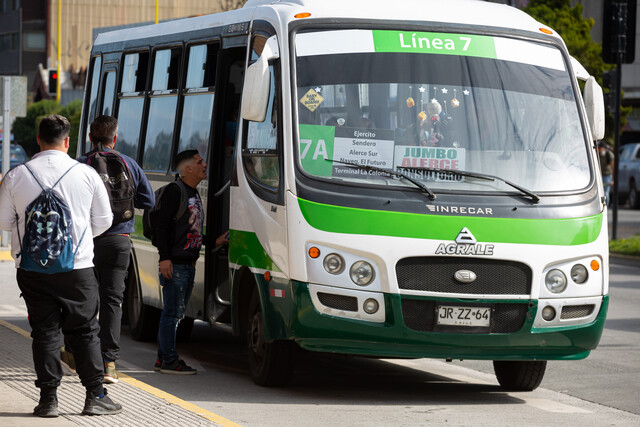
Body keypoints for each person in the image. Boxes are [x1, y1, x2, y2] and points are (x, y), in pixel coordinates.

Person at [0, 115, 122, 417]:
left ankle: (48, 400)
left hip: (32, 269)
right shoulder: (86, 174)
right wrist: (76, 242)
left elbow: (3, 222)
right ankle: (95, 396)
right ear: (67, 141)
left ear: (38, 140)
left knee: (44, 332)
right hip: (77, 269)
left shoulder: (16, 175)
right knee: (84, 331)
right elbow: (104, 221)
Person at [72, 115, 155, 384]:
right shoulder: (128, 164)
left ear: (89, 137)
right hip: (119, 240)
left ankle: (76, 354)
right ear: (115, 138)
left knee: (83, 298)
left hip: (87, 241)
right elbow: (148, 199)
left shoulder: (81, 164)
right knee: (112, 301)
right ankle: (109, 364)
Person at [153, 149, 228, 374]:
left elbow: (190, 232)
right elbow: (161, 226)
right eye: (199, 161)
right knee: (172, 314)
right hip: (175, 264)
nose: (205, 164)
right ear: (188, 169)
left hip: (186, 264)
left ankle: (162, 358)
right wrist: (165, 258)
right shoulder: (176, 192)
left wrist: (213, 241)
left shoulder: (192, 192)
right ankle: (169, 361)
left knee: (175, 313)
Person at [598, 141, 614, 207]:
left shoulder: (608, 154)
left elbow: (613, 167)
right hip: (600, 175)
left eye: (599, 148)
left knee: (606, 192)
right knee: (601, 192)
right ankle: (602, 205)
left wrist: (613, 179)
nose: (598, 149)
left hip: (607, 175)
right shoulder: (598, 154)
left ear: (602, 148)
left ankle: (606, 206)